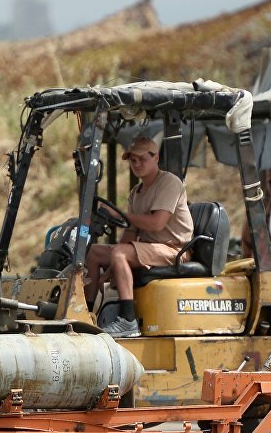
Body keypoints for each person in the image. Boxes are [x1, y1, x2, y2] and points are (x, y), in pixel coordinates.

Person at [83, 137, 193, 338]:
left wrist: (117, 214)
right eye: (133, 160)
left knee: (120, 253)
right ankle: (85, 314)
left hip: (174, 249)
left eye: (142, 159)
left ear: (156, 158)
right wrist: (106, 274)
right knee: (93, 252)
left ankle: (128, 321)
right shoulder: (136, 192)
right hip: (149, 248)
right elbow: (131, 231)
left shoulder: (169, 183)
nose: (137, 164)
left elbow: (156, 223)